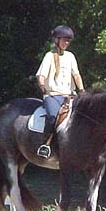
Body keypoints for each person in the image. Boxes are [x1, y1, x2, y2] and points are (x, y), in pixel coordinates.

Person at [35, 25, 86, 158]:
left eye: (69, 41)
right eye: (64, 40)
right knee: (53, 117)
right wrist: (41, 84)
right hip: (53, 95)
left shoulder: (70, 56)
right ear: (57, 40)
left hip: (70, 96)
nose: (67, 43)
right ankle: (45, 145)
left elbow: (76, 75)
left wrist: (82, 91)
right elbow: (41, 75)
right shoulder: (49, 56)